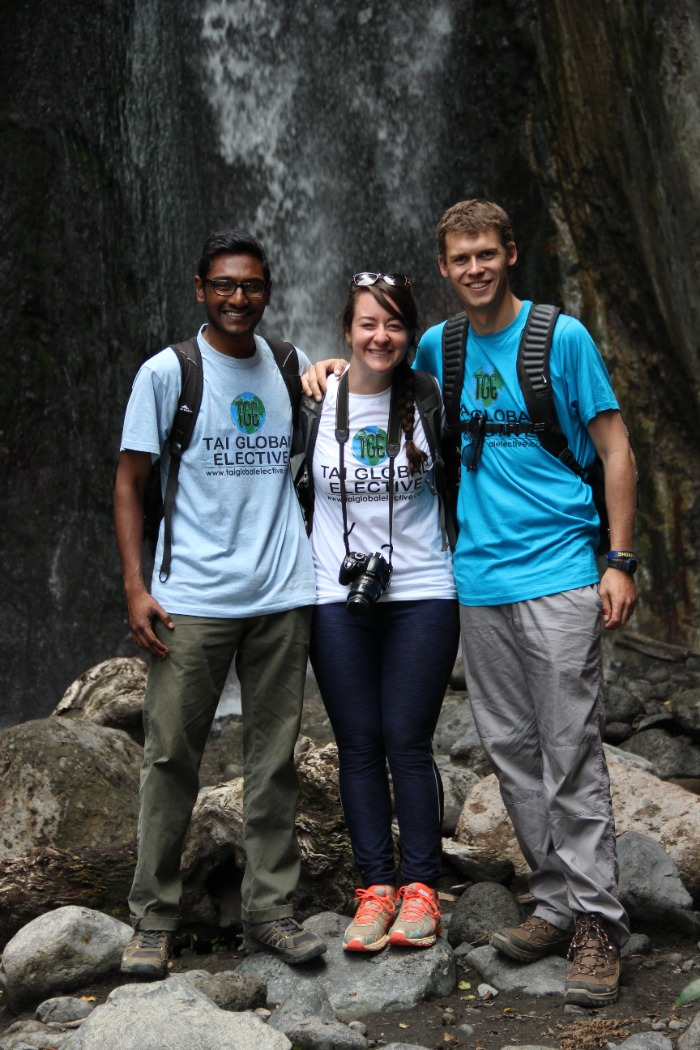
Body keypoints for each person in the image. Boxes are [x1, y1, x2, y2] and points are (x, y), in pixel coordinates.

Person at [303, 201, 638, 1007]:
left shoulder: (561, 338)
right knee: (514, 752)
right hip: (476, 578)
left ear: (510, 254)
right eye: (461, 258)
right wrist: (322, 369)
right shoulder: (434, 348)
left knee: (570, 747)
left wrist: (620, 560)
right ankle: (554, 902)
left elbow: (615, 446)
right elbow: (372, 371)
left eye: (487, 253)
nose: (476, 267)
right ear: (444, 269)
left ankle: (598, 921)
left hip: (559, 571)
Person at [113, 229, 326, 978]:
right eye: (226, 286)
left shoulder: (293, 366)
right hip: (191, 599)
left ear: (269, 291)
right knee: (171, 755)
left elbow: (369, 383)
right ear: (201, 288)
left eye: (254, 286)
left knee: (275, 761)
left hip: (281, 594)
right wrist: (137, 588)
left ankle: (272, 910)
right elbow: (130, 482)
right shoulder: (168, 373)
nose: (240, 299)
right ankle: (152, 918)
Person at [307, 273, 459, 952]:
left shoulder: (428, 397)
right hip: (334, 597)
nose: (381, 337)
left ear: (410, 334)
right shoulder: (314, 398)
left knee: (407, 738)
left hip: (423, 589)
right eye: (368, 324)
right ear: (347, 330)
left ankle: (422, 889)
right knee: (359, 743)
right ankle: (375, 889)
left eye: (394, 325)